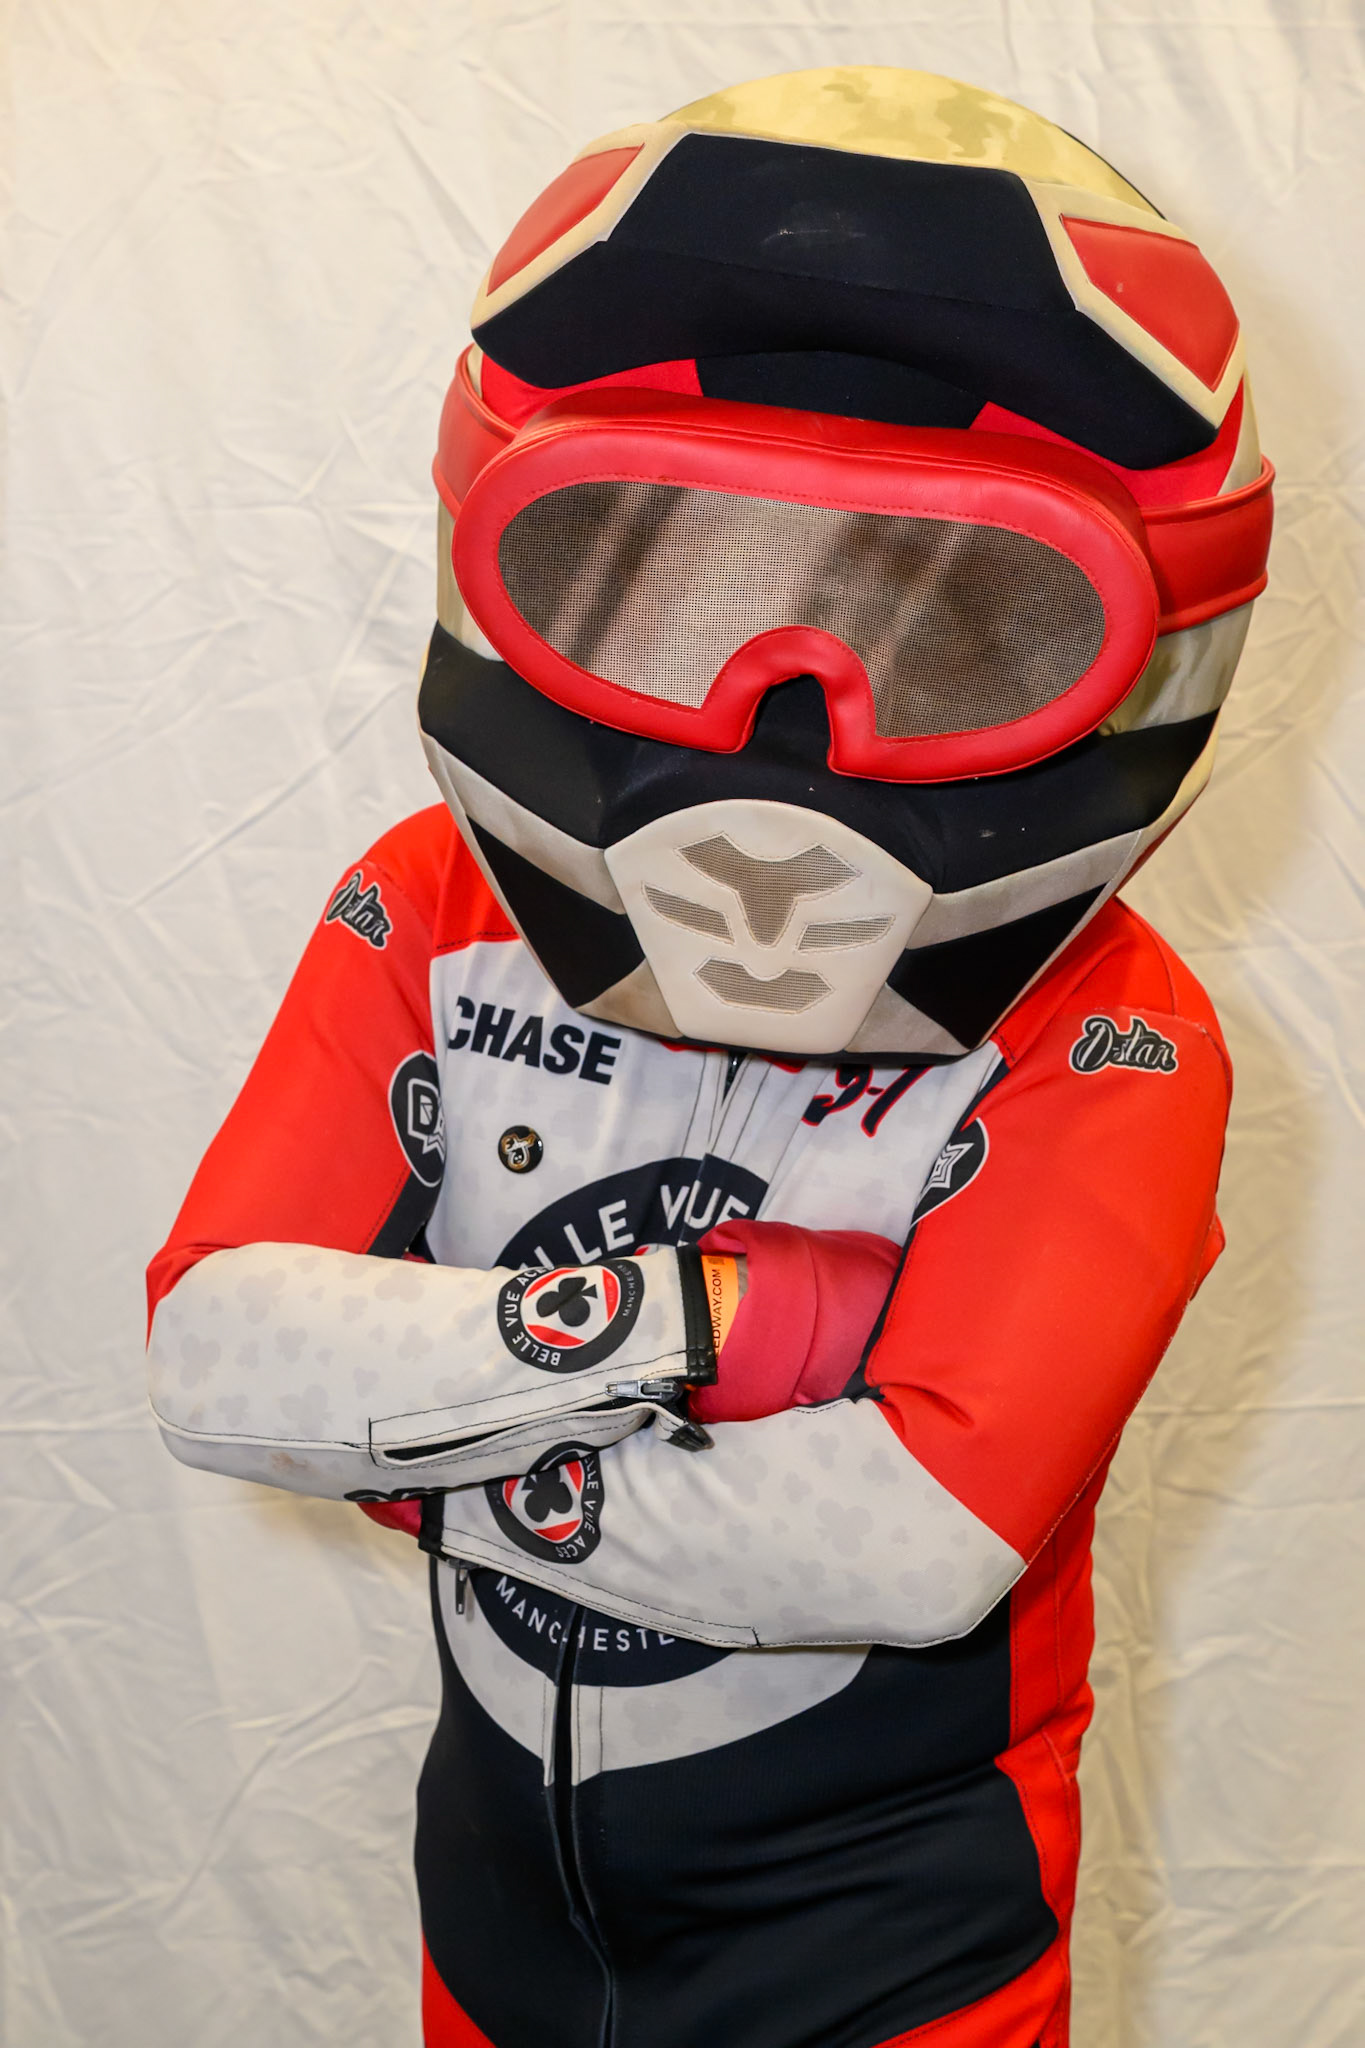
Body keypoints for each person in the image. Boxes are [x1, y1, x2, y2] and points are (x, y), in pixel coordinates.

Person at [146, 65, 1272, 2048]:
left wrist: (416, 1441)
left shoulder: (1118, 1030)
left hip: (893, 1942)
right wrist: (711, 1312)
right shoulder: (427, 900)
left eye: (958, 620)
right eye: (667, 582)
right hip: (496, 1909)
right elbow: (220, 1361)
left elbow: (909, 1542)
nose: (783, 719)